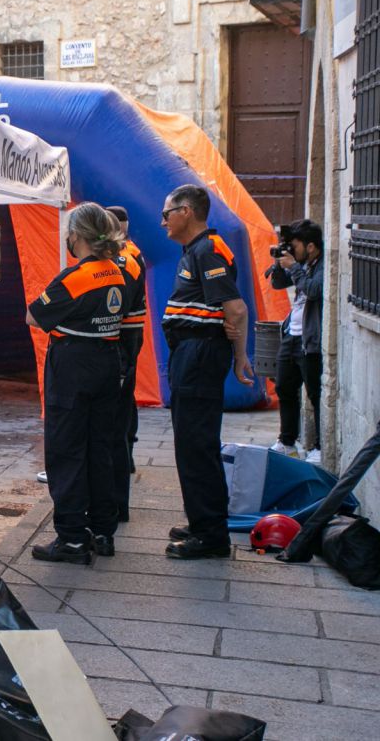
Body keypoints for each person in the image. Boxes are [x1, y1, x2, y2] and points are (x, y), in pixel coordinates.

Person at [25, 203, 127, 564]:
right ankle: (102, 530)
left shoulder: (74, 277)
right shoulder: (118, 272)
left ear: (78, 236)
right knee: (99, 449)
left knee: (66, 451)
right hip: (106, 360)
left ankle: (70, 537)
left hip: (73, 365)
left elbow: (33, 317)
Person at [160, 184, 254, 560]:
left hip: (199, 356)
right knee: (191, 443)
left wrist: (240, 356)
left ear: (186, 211)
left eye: (166, 213)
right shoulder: (194, 251)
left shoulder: (208, 250)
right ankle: (202, 522)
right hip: (190, 353)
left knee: (197, 445)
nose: (163, 220)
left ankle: (212, 535)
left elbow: (236, 309)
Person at [269, 219, 324, 463]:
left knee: (315, 393)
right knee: (284, 387)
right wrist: (282, 263)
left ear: (310, 247)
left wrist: (295, 267)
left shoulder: (322, 265)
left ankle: (320, 446)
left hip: (309, 339)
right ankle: (287, 441)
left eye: (295, 246)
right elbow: (278, 283)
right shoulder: (301, 264)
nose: (293, 250)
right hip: (291, 334)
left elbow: (313, 290)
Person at [108, 206, 147, 522]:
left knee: (114, 423)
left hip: (120, 344)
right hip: (126, 342)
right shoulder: (130, 255)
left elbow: (112, 307)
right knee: (123, 410)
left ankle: (116, 503)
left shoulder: (125, 260)